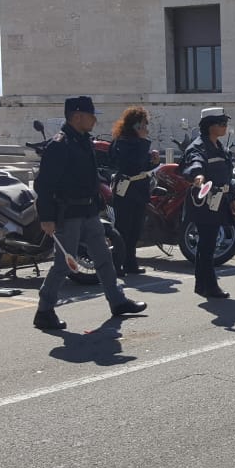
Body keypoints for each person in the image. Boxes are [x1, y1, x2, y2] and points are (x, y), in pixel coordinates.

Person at [33, 96, 147, 330]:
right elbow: (44, 184)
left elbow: (90, 177)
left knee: (105, 258)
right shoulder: (60, 144)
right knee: (64, 264)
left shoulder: (84, 141)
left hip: (88, 211)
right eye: (91, 115)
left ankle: (117, 301)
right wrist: (47, 217)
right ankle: (44, 310)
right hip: (68, 213)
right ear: (77, 116)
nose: (95, 119)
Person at [183, 107, 235, 299]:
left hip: (220, 200)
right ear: (209, 126)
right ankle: (211, 286)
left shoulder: (220, 147)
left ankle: (201, 285)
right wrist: (199, 177)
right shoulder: (198, 146)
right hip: (204, 201)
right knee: (207, 245)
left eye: (225, 122)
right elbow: (194, 163)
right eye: (221, 123)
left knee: (207, 244)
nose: (225, 126)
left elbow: (226, 176)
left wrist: (232, 198)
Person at [108, 106, 159, 275]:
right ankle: (117, 263)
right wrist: (144, 142)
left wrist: (153, 162)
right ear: (136, 126)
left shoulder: (138, 144)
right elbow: (131, 164)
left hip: (139, 188)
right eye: (143, 125)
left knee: (136, 229)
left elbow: (143, 167)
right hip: (126, 189)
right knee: (123, 228)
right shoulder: (123, 142)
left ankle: (131, 262)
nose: (146, 129)